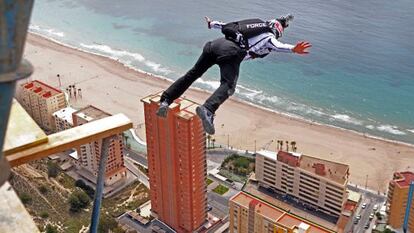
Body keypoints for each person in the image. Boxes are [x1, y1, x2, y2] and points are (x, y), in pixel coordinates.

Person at [157, 15, 311, 134]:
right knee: (228, 85)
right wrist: (293, 49)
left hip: (213, 45)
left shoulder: (249, 27)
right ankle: (208, 109)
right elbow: (277, 46)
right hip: (230, 53)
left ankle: (165, 101)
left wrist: (211, 24)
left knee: (192, 74)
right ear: (277, 31)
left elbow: (224, 26)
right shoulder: (269, 36)